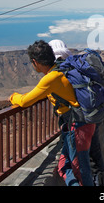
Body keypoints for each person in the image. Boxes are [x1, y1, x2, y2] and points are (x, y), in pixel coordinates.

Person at [9, 40, 95, 186]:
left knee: (80, 169)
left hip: (77, 126)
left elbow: (24, 101)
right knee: (65, 165)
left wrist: (12, 97)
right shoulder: (60, 68)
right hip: (82, 124)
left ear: (35, 62)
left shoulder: (50, 78)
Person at [49, 39, 104, 186]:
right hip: (91, 116)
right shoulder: (75, 67)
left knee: (78, 164)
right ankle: (98, 176)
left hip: (76, 123)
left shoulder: (60, 71)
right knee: (90, 154)